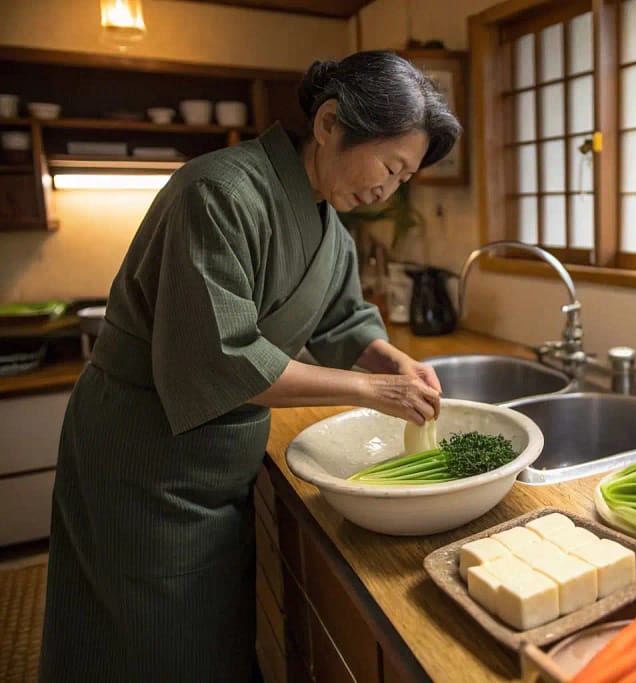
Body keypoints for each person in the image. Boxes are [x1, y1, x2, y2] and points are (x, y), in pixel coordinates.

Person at [39, 51, 461, 682]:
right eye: (390, 165)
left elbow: (344, 323)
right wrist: (374, 389)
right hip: (145, 454)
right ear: (328, 123)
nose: (387, 189)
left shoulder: (331, 230)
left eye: (403, 179)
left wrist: (396, 361)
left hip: (221, 455)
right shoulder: (217, 193)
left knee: (207, 633)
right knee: (141, 640)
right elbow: (222, 356)